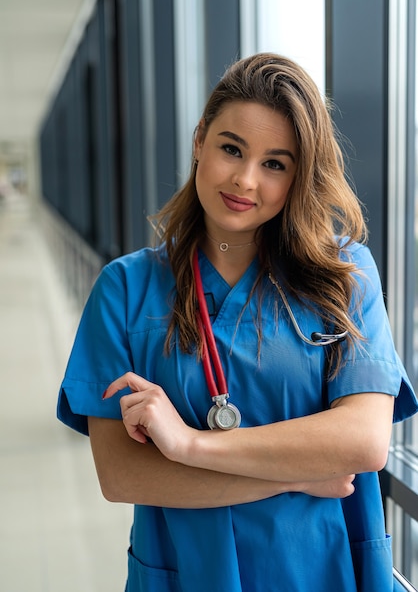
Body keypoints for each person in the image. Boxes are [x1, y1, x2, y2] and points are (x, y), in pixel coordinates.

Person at [57, 53, 418, 592]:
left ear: (298, 176)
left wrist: (188, 447)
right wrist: (299, 472)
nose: (246, 180)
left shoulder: (344, 275)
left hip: (323, 570)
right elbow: (122, 475)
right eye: (231, 149)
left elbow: (362, 442)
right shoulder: (125, 289)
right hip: (188, 572)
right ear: (200, 140)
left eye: (275, 163)